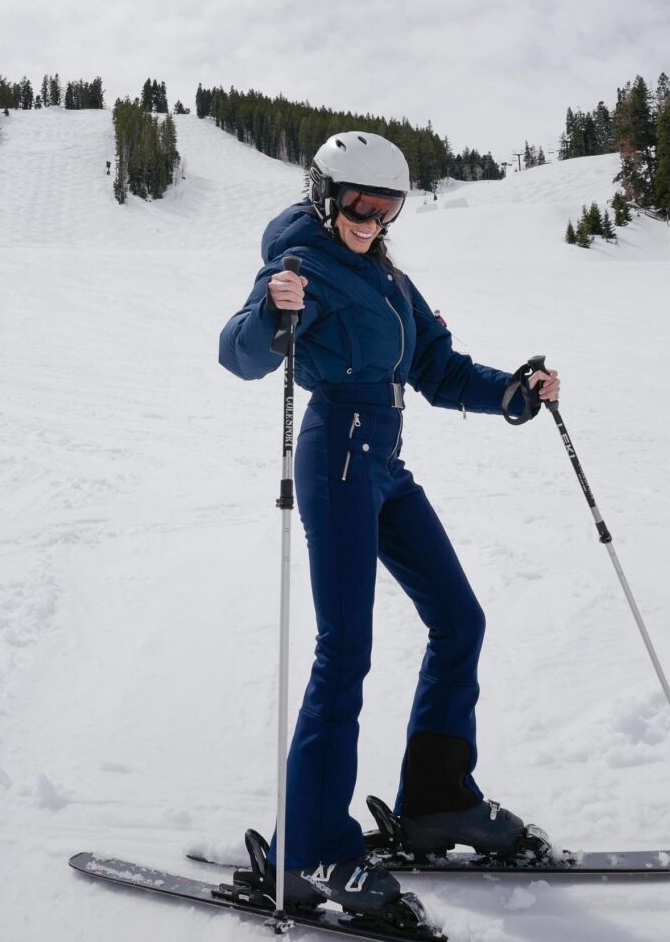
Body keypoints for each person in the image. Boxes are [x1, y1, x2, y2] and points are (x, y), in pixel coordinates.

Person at [219, 131, 559, 918]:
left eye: (387, 207)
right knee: (346, 652)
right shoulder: (296, 266)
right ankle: (309, 853)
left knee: (458, 619)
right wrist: (271, 316)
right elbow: (238, 356)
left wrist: (514, 390)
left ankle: (438, 803)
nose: (370, 219)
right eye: (357, 205)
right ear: (323, 196)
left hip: (385, 467)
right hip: (335, 458)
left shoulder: (386, 277)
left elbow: (437, 369)